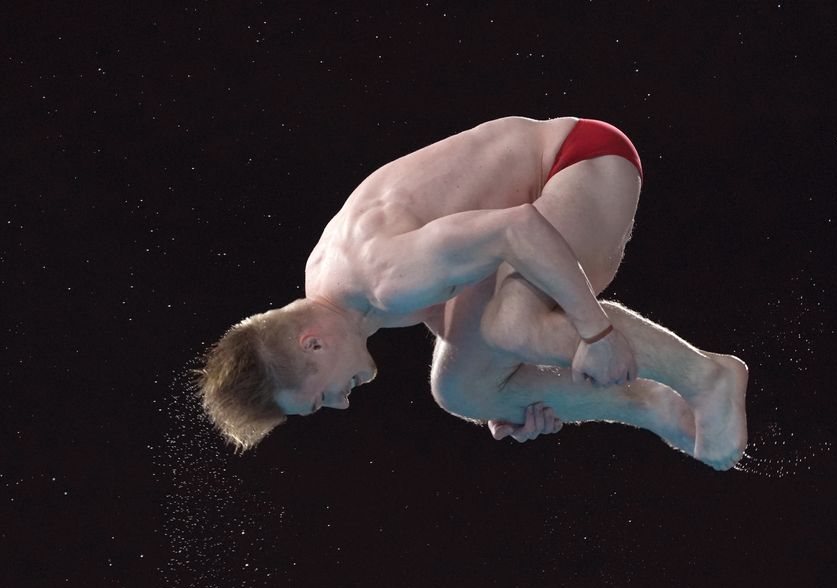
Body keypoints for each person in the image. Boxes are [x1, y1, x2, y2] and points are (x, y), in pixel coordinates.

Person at [197, 116, 748, 470]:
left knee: (509, 325)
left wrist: (595, 332)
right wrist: (505, 395)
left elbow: (516, 229)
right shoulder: (337, 289)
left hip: (577, 161)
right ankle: (652, 407)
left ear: (312, 344)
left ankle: (706, 377)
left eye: (321, 398)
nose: (341, 403)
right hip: (535, 209)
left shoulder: (383, 277)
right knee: (462, 391)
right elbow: (457, 293)